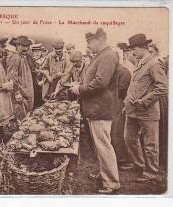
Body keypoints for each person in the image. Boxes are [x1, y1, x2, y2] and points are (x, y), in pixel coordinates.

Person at [70, 28, 120, 194]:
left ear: (100, 40)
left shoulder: (108, 56)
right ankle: (103, 173)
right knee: (100, 145)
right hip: (96, 108)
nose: (88, 46)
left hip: (101, 109)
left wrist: (80, 89)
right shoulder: (102, 55)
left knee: (104, 145)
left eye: (89, 42)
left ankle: (111, 183)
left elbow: (100, 83)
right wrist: (79, 84)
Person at [123, 34, 168, 182]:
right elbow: (134, 86)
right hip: (132, 109)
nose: (132, 52)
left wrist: (144, 101)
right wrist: (127, 103)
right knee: (129, 138)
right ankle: (138, 164)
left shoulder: (154, 63)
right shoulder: (140, 62)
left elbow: (162, 88)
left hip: (147, 110)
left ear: (143, 48)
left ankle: (151, 172)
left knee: (150, 143)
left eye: (134, 49)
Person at [111, 47, 132, 168]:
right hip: (112, 103)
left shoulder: (124, 72)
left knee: (117, 132)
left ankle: (122, 159)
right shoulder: (114, 71)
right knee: (113, 132)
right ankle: (116, 158)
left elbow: (121, 90)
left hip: (119, 103)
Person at [6, 36, 35, 120]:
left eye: (27, 46)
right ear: (17, 46)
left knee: (27, 116)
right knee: (20, 117)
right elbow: (11, 77)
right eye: (23, 46)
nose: (25, 48)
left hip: (27, 93)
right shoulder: (15, 57)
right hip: (20, 94)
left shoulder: (25, 57)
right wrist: (16, 92)